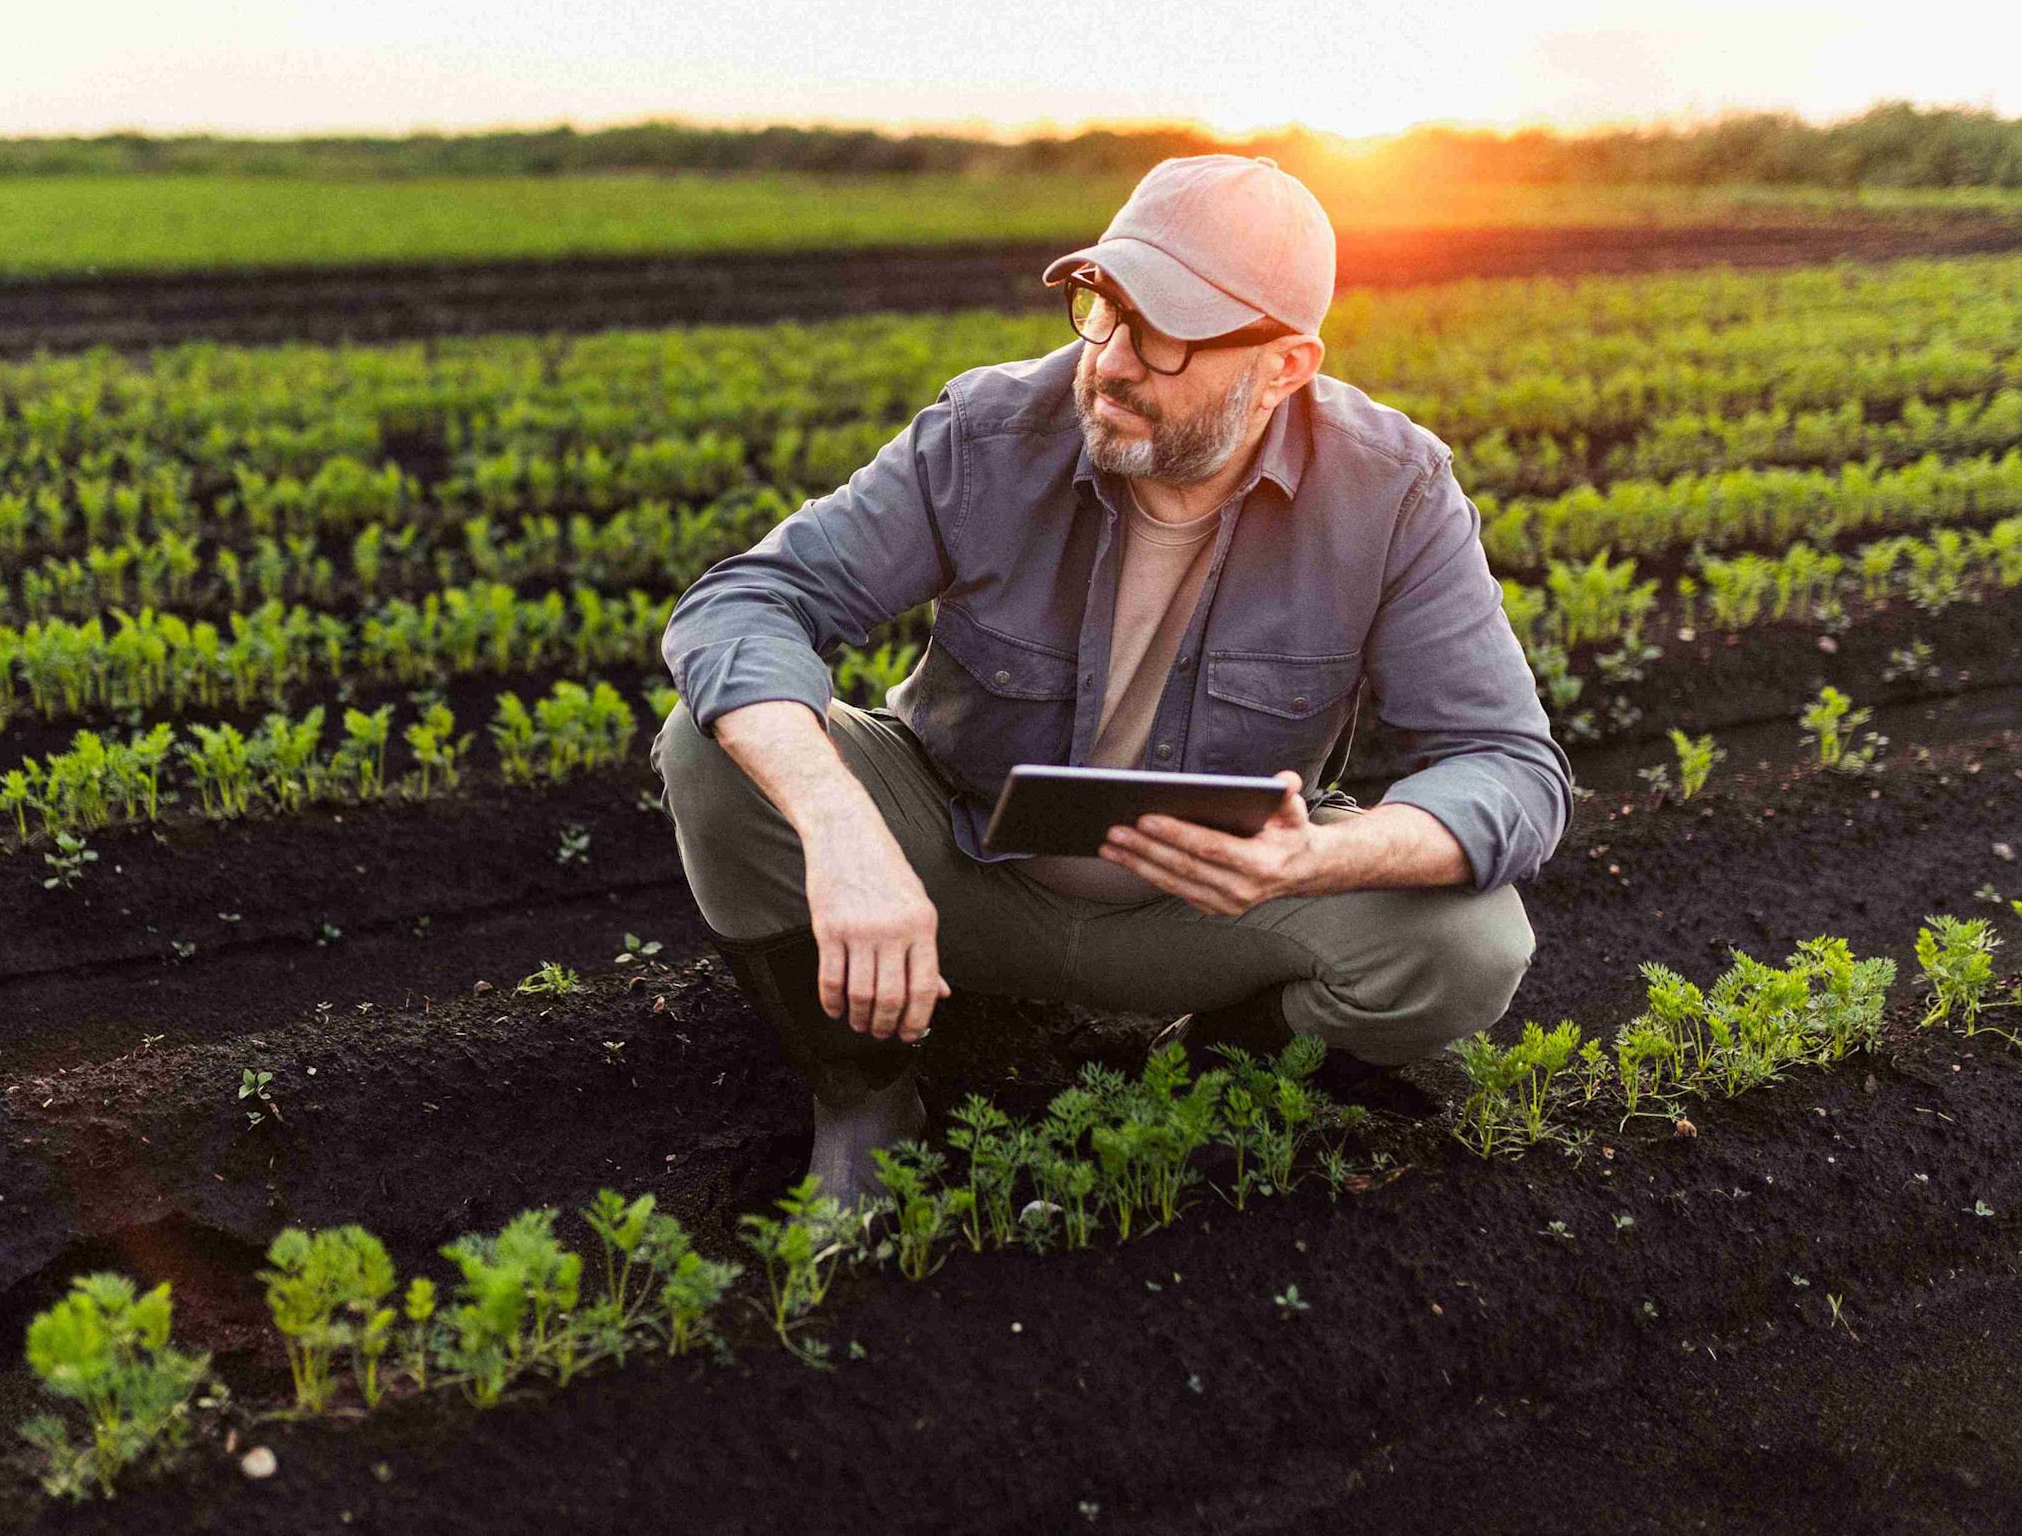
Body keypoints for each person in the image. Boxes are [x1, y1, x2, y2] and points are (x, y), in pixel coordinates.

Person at [650, 153, 1571, 1200]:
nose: (1113, 362)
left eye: (1167, 335)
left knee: (1469, 943)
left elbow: (1507, 765)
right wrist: (840, 828)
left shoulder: (1392, 492)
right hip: (960, 862)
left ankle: (1200, 1069)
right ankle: (865, 1099)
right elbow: (746, 603)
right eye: (1103, 307)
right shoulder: (990, 432)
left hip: (1205, 905)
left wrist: (1321, 855)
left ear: (1283, 365)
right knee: (707, 745)